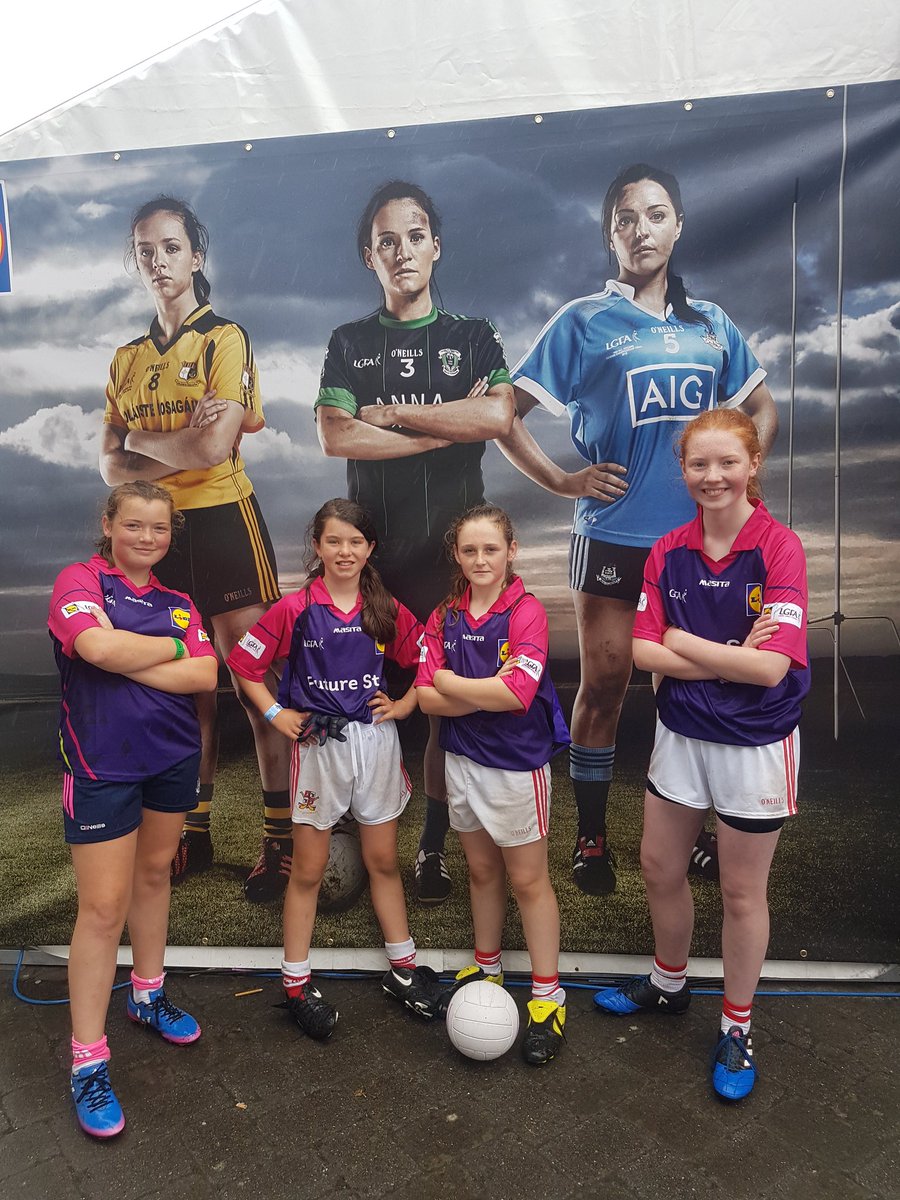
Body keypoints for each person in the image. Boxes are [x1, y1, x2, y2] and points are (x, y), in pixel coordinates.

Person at [497, 163, 779, 895]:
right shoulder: (585, 319)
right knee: (609, 682)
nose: (641, 229)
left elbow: (765, 410)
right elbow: (505, 416)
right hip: (617, 535)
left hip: (700, 544)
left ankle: (695, 834)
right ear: (610, 234)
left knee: (696, 684)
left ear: (677, 226)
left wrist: (742, 471)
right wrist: (561, 480)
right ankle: (590, 836)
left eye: (655, 215)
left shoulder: (711, 322)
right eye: (626, 218)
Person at [593, 409, 809, 1100]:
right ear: (682, 471)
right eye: (698, 465)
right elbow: (641, 649)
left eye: (726, 463)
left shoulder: (779, 548)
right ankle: (668, 983)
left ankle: (737, 1027)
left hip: (754, 741)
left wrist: (684, 644)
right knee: (660, 866)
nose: (712, 477)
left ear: (751, 466)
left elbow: (771, 670)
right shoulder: (668, 550)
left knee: (742, 892)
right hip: (682, 733)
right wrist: (719, 655)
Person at [315, 180, 515, 905]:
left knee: (438, 712)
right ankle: (350, 846)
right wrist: (442, 429)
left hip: (451, 565)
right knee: (355, 706)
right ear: (369, 256)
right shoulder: (350, 342)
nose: (404, 251)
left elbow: (496, 416)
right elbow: (336, 432)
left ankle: (429, 851)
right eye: (387, 241)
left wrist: (397, 418)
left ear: (437, 246)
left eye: (416, 235)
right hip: (372, 564)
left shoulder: (474, 336)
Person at [99, 195, 292, 904]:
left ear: (196, 256)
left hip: (224, 527)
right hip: (158, 536)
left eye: (171, 246)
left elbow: (215, 447)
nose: (158, 259)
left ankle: (278, 842)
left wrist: (142, 439)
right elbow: (109, 468)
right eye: (146, 249)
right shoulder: (125, 359)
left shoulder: (225, 339)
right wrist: (174, 438)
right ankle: (195, 832)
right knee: (188, 691)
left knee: (252, 684)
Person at [227, 498, 445, 1037]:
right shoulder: (295, 608)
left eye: (355, 542)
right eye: (334, 541)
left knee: (383, 861)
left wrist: (406, 704)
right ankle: (296, 984)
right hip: (320, 747)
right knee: (306, 871)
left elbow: (427, 657)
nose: (344, 551)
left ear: (370, 548)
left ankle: (403, 968)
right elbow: (244, 664)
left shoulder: (384, 607)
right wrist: (277, 714)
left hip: (375, 744)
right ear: (317, 545)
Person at [48, 481, 219, 1138]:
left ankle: (147, 996)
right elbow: (94, 649)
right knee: (101, 909)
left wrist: (153, 650)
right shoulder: (79, 580)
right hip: (100, 766)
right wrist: (170, 653)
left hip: (172, 758)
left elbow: (205, 675)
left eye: (159, 529)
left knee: (154, 877)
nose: (147, 539)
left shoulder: (177, 604)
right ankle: (87, 1062)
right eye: (135, 526)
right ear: (109, 524)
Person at [416, 505, 571, 1065]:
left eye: (491, 549)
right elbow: (426, 697)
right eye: (469, 551)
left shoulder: (525, 611)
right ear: (456, 555)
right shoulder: (444, 613)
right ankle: (487, 967)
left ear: (512, 550)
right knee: (481, 871)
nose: (480, 560)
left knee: (528, 881)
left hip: (515, 766)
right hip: (462, 761)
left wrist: (453, 682)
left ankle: (548, 997)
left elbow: (518, 697)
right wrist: (470, 687)